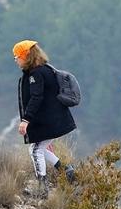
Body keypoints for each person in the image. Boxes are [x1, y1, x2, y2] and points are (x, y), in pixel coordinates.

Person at [13, 40, 77, 197]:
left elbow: (36, 97)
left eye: (17, 56)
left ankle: (42, 187)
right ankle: (66, 170)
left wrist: (25, 120)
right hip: (55, 120)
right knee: (39, 148)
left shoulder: (36, 74)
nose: (15, 60)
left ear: (26, 56)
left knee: (35, 150)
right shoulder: (45, 69)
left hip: (50, 122)